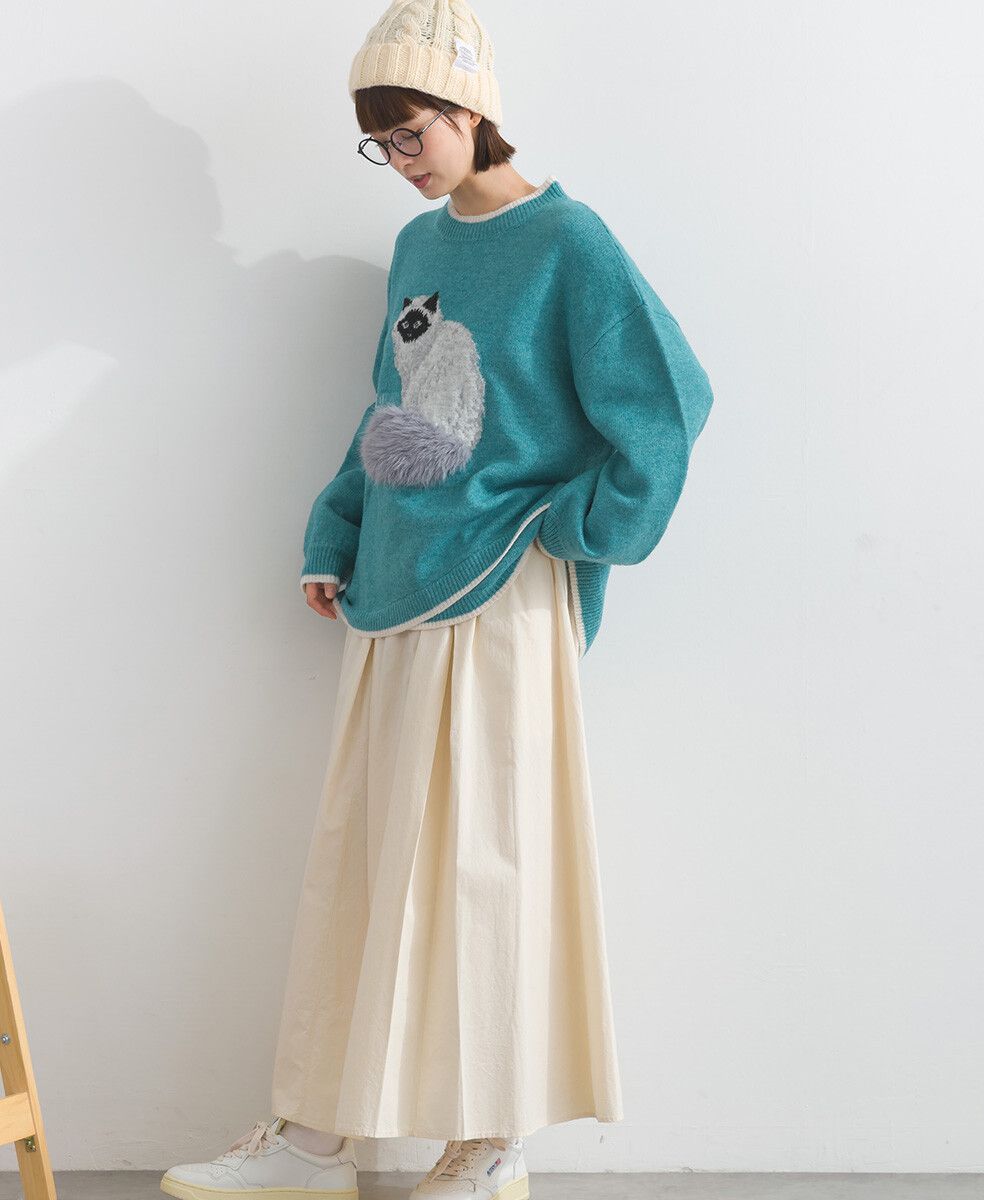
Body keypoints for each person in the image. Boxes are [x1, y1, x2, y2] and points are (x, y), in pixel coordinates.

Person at [161, 2, 714, 1198]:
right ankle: (320, 1137)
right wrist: (336, 530)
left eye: (412, 131)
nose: (401, 160)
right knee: (364, 857)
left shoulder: (568, 242)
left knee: (485, 862)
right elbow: (390, 407)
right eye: (383, 143)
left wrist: (576, 527)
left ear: (471, 108)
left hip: (501, 590)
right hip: (398, 588)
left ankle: (490, 1142)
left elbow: (670, 403)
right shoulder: (420, 248)